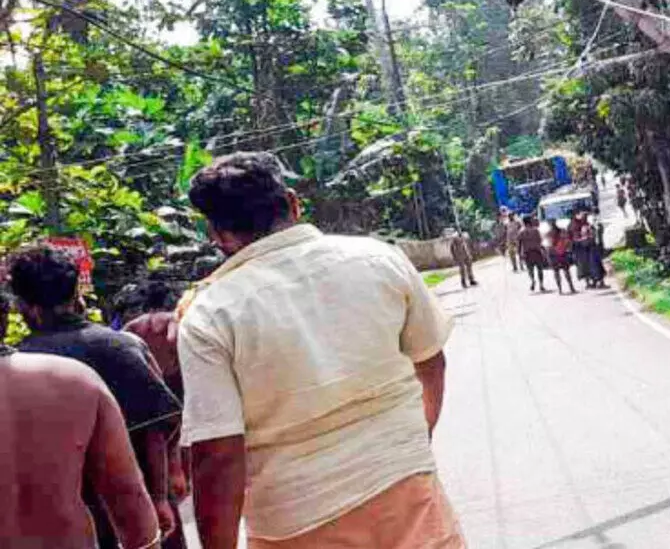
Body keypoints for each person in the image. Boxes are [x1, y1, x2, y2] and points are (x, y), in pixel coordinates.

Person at [179, 151, 463, 549]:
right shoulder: (377, 258)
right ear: (293, 204)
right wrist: (412, 443)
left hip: (294, 521)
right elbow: (431, 363)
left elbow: (218, 453)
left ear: (219, 235)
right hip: (407, 491)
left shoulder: (210, 315)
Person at [9, 246, 180, 549]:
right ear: (77, 293)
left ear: (24, 307)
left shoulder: (23, 361)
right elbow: (155, 427)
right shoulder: (123, 346)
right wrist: (159, 496)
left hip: (76, 517)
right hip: (139, 507)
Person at [123, 281, 190, 549]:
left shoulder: (134, 327)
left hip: (148, 388)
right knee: (176, 438)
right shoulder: (174, 320)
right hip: (174, 385)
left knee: (158, 441)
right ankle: (179, 476)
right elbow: (175, 340)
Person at [518, 215, 547, 292]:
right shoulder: (535, 230)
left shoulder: (521, 232)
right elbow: (540, 241)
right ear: (530, 221)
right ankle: (541, 284)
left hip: (527, 253)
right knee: (540, 269)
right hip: (536, 252)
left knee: (530, 270)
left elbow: (519, 244)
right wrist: (543, 250)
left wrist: (520, 255)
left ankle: (533, 280)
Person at [549, 219, 577, 295]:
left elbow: (547, 245)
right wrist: (567, 249)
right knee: (566, 271)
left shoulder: (549, 233)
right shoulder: (561, 231)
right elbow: (568, 241)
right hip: (562, 253)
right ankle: (571, 288)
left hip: (554, 254)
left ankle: (560, 289)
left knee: (557, 272)